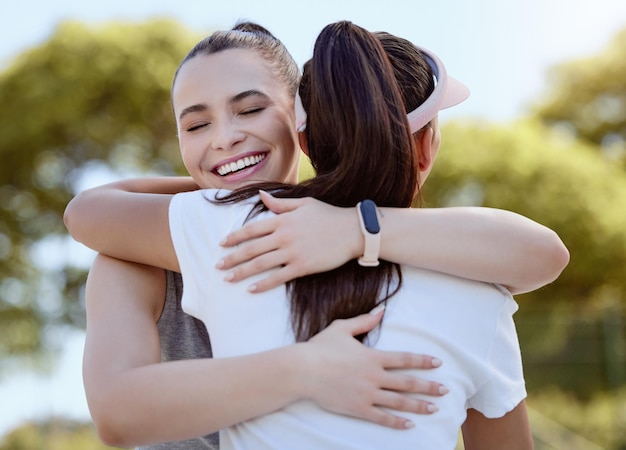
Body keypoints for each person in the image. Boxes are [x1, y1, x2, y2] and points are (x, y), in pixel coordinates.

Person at [64, 21, 567, 448]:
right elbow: (117, 409)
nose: (224, 138)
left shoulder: (456, 259)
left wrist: (352, 226)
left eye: (250, 109)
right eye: (195, 126)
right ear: (428, 145)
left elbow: (540, 251)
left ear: (302, 125)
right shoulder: (158, 240)